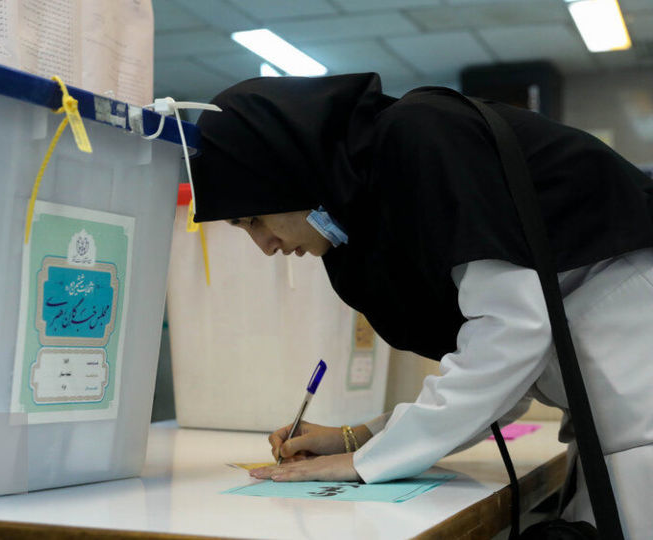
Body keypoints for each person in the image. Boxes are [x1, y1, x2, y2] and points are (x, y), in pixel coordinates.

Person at [188, 73, 653, 537]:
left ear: (285, 171)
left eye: (253, 219)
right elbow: (503, 368)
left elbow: (514, 333)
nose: (264, 246)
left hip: (635, 396)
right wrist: (360, 438)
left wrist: (368, 461)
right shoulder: (380, 188)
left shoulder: (419, 136)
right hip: (611, 404)